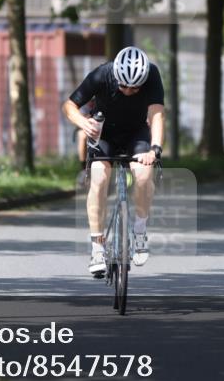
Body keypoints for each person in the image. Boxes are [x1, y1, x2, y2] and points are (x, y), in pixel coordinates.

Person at [63, 46, 164, 277]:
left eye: (135, 87)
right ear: (116, 75)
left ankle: (139, 232)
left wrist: (155, 149)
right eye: (123, 86)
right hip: (104, 133)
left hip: (136, 132)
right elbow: (69, 105)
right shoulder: (101, 74)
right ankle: (97, 248)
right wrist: (81, 122)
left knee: (144, 174)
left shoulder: (153, 75)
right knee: (99, 179)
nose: (128, 91)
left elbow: (157, 114)